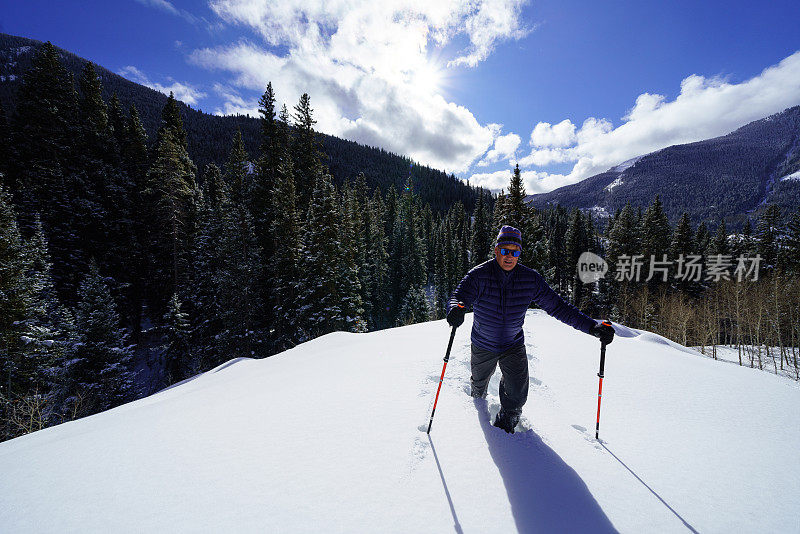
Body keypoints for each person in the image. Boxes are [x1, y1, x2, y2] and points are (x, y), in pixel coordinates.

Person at [446, 225, 615, 433]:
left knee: (517, 395)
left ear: (519, 254)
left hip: (513, 345)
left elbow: (558, 307)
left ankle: (504, 430)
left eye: (515, 252)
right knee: (479, 385)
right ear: (497, 250)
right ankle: (477, 405)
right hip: (483, 343)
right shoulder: (479, 275)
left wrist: (592, 327)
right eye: (505, 250)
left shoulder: (530, 279)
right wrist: (455, 309)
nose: (510, 256)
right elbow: (459, 296)